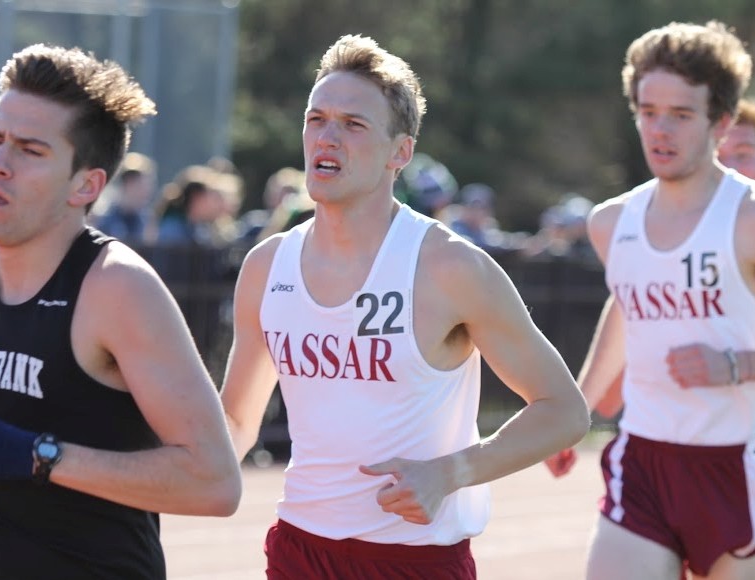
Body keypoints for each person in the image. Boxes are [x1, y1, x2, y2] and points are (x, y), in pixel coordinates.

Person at [218, 34, 590, 580]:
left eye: (354, 124)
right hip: (299, 551)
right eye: (316, 118)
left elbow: (564, 410)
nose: (328, 137)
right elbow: (235, 420)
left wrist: (449, 473)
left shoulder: (450, 267)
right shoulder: (266, 266)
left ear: (401, 152)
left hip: (415, 562)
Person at [545, 21, 755, 580]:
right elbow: (628, 308)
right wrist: (576, 411)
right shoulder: (611, 222)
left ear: (720, 123)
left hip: (732, 469)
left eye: (681, 114)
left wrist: (739, 366)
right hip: (642, 461)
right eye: (648, 112)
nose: (660, 130)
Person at [0, 44, 242, 578]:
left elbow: (215, 483)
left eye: (30, 150)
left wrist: (38, 455)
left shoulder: (116, 288)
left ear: (85, 184)